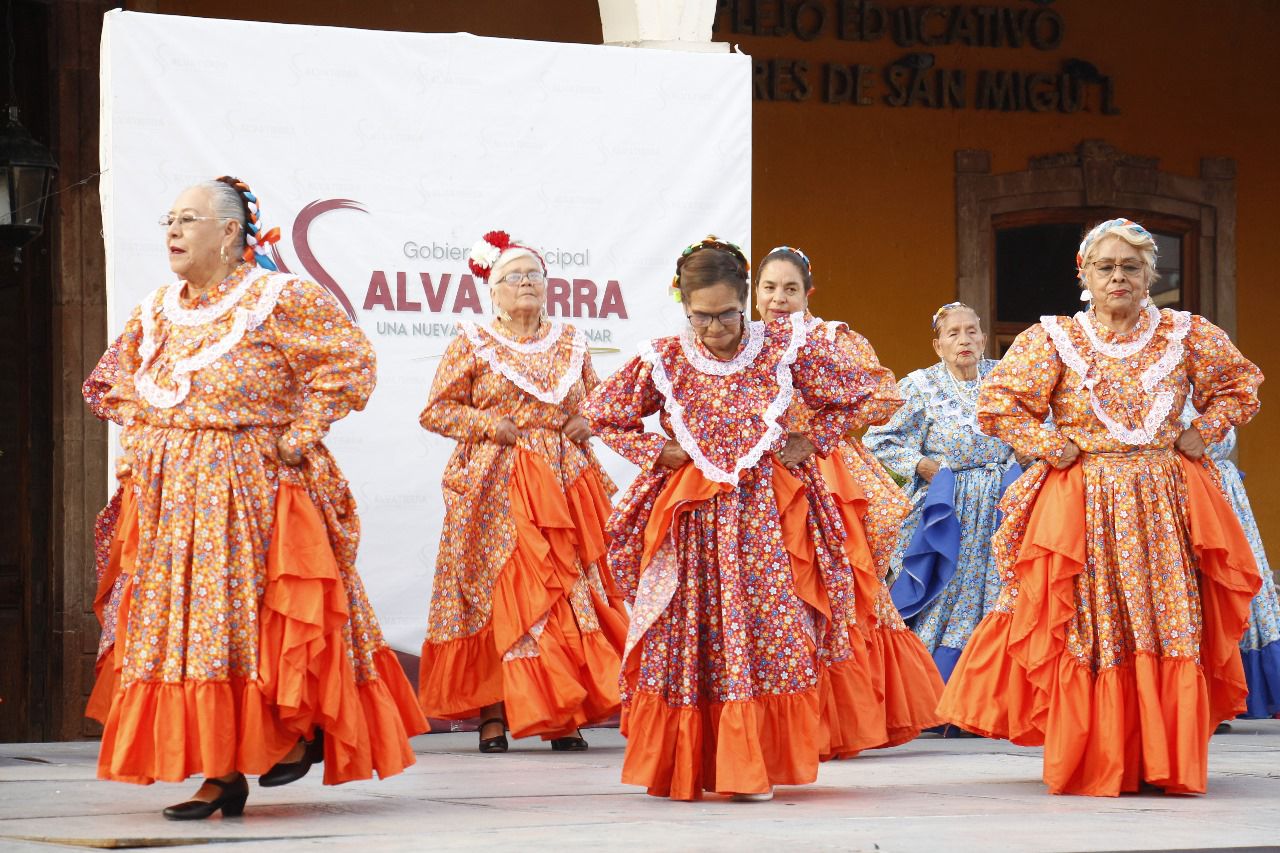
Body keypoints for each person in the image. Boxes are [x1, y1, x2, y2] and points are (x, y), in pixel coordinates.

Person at [90, 176, 425, 820]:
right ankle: (221, 771)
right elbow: (110, 383)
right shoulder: (157, 309)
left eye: (188, 219)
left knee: (257, 624)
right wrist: (144, 438)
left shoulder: (280, 297)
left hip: (250, 490)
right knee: (195, 632)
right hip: (173, 503)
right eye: (169, 220)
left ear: (230, 231)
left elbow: (349, 362)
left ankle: (294, 730)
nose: (173, 230)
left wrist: (298, 435)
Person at [937, 218, 1264, 795]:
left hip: (1164, 504)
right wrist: (1047, 444)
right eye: (1105, 266)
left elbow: (1241, 385)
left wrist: (1205, 430)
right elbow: (998, 403)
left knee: (1166, 622)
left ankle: (1162, 759)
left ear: (1149, 275)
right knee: (1093, 626)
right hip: (1084, 503)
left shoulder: (1186, 333)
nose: (1118, 277)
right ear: (1083, 275)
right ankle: (1099, 756)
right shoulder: (1055, 338)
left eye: (1130, 267)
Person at [584, 237, 904, 802]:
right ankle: (695, 762)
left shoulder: (783, 347)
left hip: (766, 516)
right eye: (700, 317)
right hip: (692, 519)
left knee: (766, 629)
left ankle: (753, 763)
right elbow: (602, 414)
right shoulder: (664, 357)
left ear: (745, 301)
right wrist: (655, 451)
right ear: (684, 306)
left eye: (727, 315)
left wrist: (814, 438)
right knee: (692, 633)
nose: (714, 329)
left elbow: (872, 393)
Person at [417, 230, 627, 754]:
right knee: (503, 588)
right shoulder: (473, 341)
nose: (526, 283)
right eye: (513, 276)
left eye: (534, 274)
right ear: (493, 291)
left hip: (562, 483)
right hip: (496, 483)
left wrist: (588, 421)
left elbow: (600, 403)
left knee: (563, 586)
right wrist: (490, 425)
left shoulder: (572, 341)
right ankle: (493, 714)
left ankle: (561, 712)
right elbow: (436, 411)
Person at [755, 246, 944, 744]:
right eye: (769, 288)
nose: (778, 298)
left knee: (834, 581)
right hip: (760, 473)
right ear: (755, 293)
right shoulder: (744, 341)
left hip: (824, 467)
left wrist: (819, 430)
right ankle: (778, 711)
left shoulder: (831, 337)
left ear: (808, 293)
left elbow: (882, 395)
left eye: (790, 289)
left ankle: (837, 715)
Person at [863, 302, 1021, 683]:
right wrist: (922, 465)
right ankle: (934, 686)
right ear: (938, 346)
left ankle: (992, 690)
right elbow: (876, 438)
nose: (964, 340)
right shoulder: (920, 387)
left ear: (983, 338)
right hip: (948, 512)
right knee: (943, 596)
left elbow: (1039, 422)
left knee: (1000, 594)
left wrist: (1023, 458)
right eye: (953, 333)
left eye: (971, 331)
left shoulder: (1005, 379)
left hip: (1001, 507)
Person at [1190, 411, 1280, 720]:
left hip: (1219, 494)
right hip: (1182, 490)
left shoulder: (1216, 395)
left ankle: (1228, 691)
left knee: (1230, 587)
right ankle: (1201, 693)